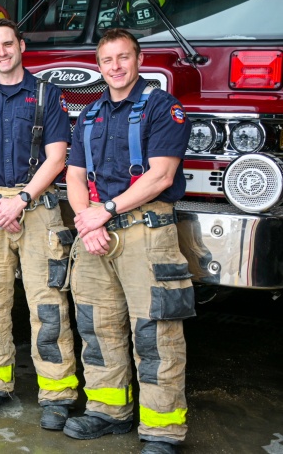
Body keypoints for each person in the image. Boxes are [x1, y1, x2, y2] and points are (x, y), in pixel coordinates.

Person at [63, 28, 193, 454]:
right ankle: (107, 410)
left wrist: (106, 210)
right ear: (98, 66)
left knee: (155, 333)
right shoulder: (89, 114)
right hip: (96, 236)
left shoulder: (162, 108)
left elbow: (162, 175)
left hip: (145, 234)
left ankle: (162, 429)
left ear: (138, 61)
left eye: (123, 58)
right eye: (107, 60)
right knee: (97, 327)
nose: (115, 67)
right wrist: (88, 221)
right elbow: (75, 176)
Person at [0, 18, 78, 428]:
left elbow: (57, 157)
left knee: (48, 304)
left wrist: (21, 200)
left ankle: (57, 395)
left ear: (21, 46)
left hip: (37, 207)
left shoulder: (47, 95)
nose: (2, 52)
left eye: (8, 44)